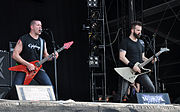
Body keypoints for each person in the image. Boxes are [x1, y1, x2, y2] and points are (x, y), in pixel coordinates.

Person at [5, 20, 58, 99]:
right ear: (32, 27)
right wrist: (28, 64)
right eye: (38, 25)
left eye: (41, 25)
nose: (40, 27)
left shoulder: (42, 41)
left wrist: (53, 57)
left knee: (49, 87)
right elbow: (15, 55)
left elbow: (46, 56)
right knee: (15, 89)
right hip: (24, 68)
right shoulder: (24, 39)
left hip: (37, 68)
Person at [117, 21, 155, 102]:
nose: (139, 33)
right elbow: (121, 57)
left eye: (140, 31)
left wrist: (150, 60)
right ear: (132, 30)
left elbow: (143, 58)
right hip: (128, 71)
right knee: (122, 94)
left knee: (151, 89)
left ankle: (133, 102)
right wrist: (132, 66)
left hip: (139, 71)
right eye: (138, 30)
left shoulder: (140, 43)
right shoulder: (125, 42)